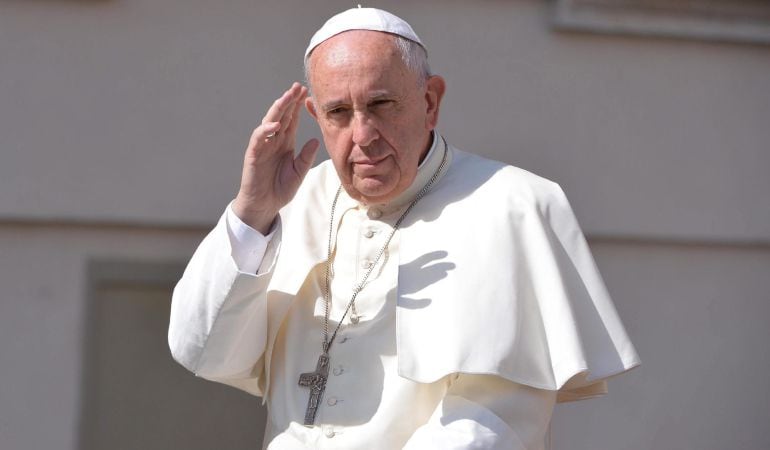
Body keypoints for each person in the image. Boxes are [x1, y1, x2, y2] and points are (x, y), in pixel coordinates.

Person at [168, 7, 640, 450]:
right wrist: (252, 212)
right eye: (339, 113)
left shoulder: (512, 204)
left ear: (430, 101)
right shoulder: (289, 204)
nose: (363, 135)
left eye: (381, 104)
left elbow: (491, 421)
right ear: (316, 116)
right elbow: (205, 353)